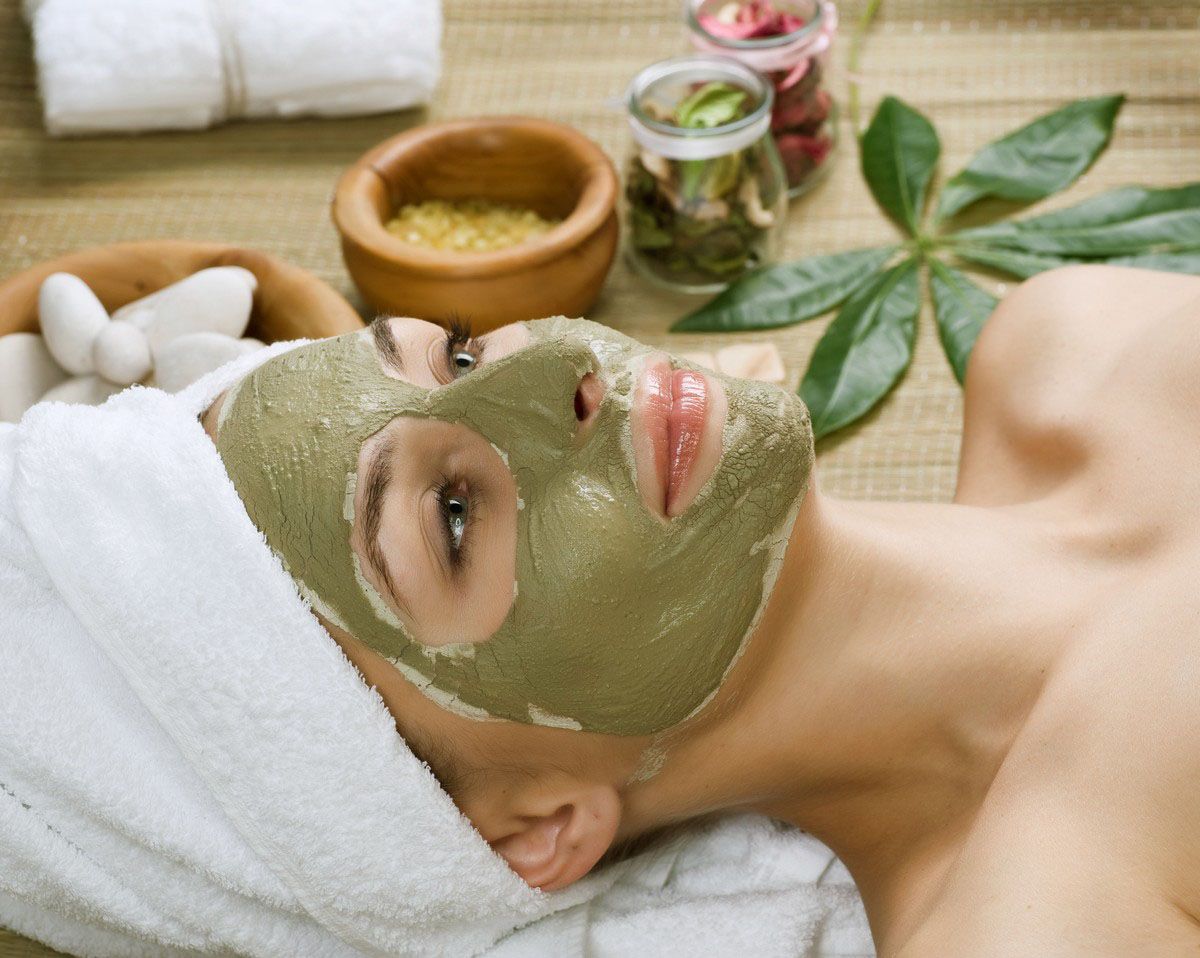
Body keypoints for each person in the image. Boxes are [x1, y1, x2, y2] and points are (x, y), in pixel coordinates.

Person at [200, 264, 1200, 957]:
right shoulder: (1040, 923)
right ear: (540, 827)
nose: (557, 378)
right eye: (453, 516)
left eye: (459, 357)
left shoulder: (1079, 347)